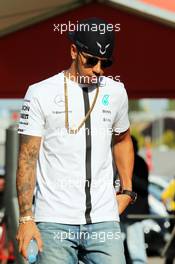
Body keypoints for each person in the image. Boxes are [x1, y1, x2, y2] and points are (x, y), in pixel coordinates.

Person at [16, 17, 135, 264]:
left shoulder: (116, 92)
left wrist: (127, 190)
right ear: (73, 51)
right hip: (53, 219)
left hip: (104, 219)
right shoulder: (40, 93)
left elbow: (123, 139)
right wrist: (26, 219)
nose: (98, 69)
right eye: (91, 60)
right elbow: (27, 157)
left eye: (105, 62)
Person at [120, 136, 149, 264]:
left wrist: (128, 178)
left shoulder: (140, 163)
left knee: (136, 251)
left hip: (134, 215)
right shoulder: (119, 161)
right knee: (117, 249)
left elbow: (144, 185)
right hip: (121, 212)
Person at [161, 177, 175, 264]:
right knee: (173, 242)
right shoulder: (174, 184)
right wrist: (171, 210)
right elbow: (165, 197)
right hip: (174, 217)